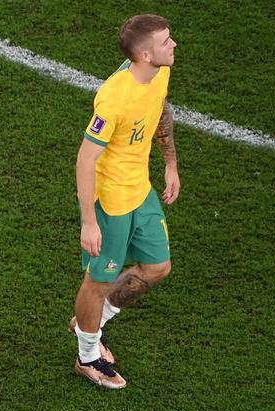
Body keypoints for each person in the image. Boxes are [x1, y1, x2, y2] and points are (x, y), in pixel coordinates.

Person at [71, 14, 181, 389]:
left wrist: (170, 163)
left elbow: (161, 112)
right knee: (98, 280)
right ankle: (87, 356)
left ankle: (92, 322)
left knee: (157, 267)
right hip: (112, 203)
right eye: (167, 41)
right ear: (146, 55)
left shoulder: (159, 73)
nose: (174, 45)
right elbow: (86, 160)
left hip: (141, 190)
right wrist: (90, 221)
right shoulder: (114, 99)